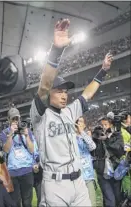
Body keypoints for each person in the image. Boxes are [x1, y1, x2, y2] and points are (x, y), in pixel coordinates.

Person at [30, 19, 113, 206]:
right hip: (55, 184)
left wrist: (103, 71)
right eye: (59, 90)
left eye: (66, 91)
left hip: (79, 181)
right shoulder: (39, 115)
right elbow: (44, 85)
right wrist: (57, 50)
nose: (64, 95)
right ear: (50, 93)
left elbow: (87, 95)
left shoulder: (69, 111)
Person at [0, 107, 38, 207]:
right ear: (8, 120)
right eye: (13, 119)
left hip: (27, 171)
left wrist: (27, 136)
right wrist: (11, 134)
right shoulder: (4, 133)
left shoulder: (26, 130)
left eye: (17, 118)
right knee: (15, 203)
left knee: (27, 202)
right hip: (13, 173)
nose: (16, 121)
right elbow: (6, 150)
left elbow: (32, 150)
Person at [92, 116, 124, 207]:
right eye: (102, 125)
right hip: (102, 173)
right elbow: (93, 152)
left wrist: (107, 140)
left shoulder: (117, 135)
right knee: (110, 201)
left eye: (105, 125)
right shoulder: (98, 138)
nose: (104, 127)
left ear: (111, 125)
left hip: (116, 172)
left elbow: (119, 150)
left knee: (118, 199)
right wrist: (94, 138)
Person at [76, 116, 96, 206]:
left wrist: (82, 133)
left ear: (84, 125)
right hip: (75, 177)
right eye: (76, 121)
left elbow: (92, 147)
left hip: (88, 175)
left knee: (91, 202)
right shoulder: (70, 137)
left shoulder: (86, 136)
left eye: (80, 121)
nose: (78, 123)